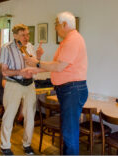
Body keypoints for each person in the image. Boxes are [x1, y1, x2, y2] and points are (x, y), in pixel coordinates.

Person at [24, 12, 88, 155]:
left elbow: (59, 67)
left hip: (72, 90)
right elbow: (55, 66)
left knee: (69, 133)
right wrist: (33, 69)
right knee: (67, 131)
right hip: (69, 90)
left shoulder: (73, 40)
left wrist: (37, 63)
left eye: (56, 25)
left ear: (65, 25)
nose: (55, 28)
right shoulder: (67, 40)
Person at [0, 24, 43, 155]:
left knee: (30, 116)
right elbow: (4, 72)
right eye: (24, 35)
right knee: (9, 115)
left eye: (28, 34)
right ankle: (5, 146)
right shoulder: (6, 48)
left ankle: (27, 144)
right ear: (15, 35)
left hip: (30, 85)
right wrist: (20, 72)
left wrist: (39, 57)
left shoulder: (30, 46)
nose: (27, 37)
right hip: (14, 84)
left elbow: (34, 64)